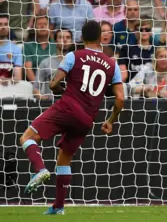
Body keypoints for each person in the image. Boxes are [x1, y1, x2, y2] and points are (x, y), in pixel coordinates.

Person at [18, 20, 125, 215]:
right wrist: (110, 121)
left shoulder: (73, 56)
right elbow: (120, 99)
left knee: (27, 138)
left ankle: (40, 169)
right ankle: (58, 207)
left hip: (67, 107)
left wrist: (64, 90)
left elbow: (53, 84)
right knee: (64, 158)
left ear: (82, 38)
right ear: (101, 38)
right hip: (87, 119)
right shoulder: (112, 65)